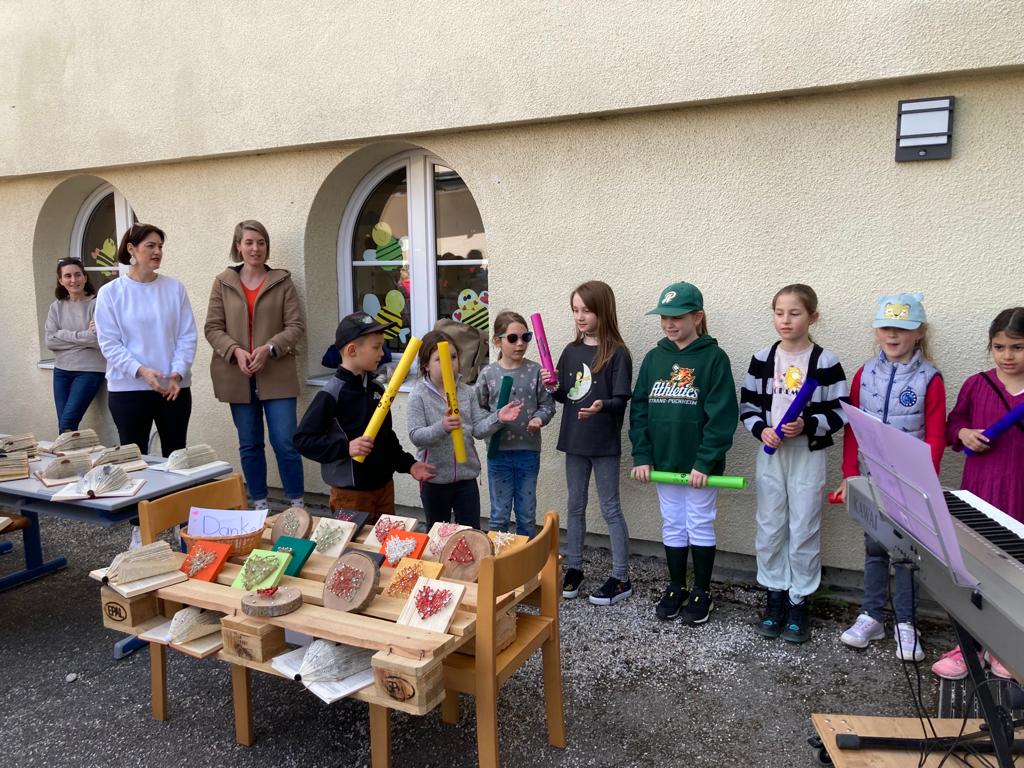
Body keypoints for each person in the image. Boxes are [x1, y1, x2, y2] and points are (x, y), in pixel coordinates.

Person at [832, 293, 945, 661]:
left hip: (909, 485)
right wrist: (850, 474)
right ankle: (871, 615)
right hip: (871, 479)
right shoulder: (864, 373)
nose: (892, 335)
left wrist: (923, 481)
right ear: (877, 332)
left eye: (902, 329)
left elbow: (936, 436)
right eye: (885, 328)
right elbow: (852, 428)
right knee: (875, 548)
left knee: (906, 554)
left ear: (919, 333)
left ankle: (907, 624)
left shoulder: (930, 378)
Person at [739, 284, 848, 643]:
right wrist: (762, 430)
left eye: (795, 313)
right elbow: (748, 405)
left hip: (807, 453)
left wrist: (808, 424)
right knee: (770, 524)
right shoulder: (762, 358)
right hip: (771, 453)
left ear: (813, 317)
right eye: (779, 313)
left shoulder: (825, 361)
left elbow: (840, 410)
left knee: (803, 525)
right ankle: (774, 593)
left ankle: (799, 598)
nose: (786, 320)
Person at [630, 282, 738, 625]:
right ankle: (676, 585)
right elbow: (639, 410)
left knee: (700, 523)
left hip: (699, 468)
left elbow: (722, 418)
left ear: (697, 317)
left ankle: (702, 590)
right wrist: (642, 455)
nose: (669, 323)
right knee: (673, 522)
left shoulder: (714, 359)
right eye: (664, 317)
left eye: (677, 317)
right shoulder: (654, 358)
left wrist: (705, 461)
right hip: (663, 463)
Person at [932, 307, 1024, 681]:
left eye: (1017, 347)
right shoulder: (977, 384)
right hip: (981, 491)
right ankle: (967, 645)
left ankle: (1006, 647)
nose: (1007, 355)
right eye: (999, 347)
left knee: (1014, 572)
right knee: (973, 568)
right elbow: (954, 423)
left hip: (1019, 494)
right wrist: (964, 433)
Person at [95, 224, 197, 548]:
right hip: (128, 390)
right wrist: (140, 371)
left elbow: (187, 335)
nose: (157, 252)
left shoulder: (174, 288)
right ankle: (141, 529)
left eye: (160, 246)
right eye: (151, 245)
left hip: (173, 388)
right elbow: (109, 343)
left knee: (176, 458)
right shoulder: (111, 293)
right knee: (135, 461)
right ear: (131, 249)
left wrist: (177, 373)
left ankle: (182, 525)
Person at [293, 312, 434, 520]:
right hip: (350, 495)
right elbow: (303, 440)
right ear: (352, 350)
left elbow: (386, 437)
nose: (382, 353)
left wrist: (409, 464)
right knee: (356, 541)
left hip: (384, 488)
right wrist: (346, 448)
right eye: (376, 347)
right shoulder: (331, 393)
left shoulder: (377, 389)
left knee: (386, 540)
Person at [205, 220, 306, 511]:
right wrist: (235, 351)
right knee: (249, 444)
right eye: (249, 242)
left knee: (285, 442)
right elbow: (213, 327)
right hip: (237, 376)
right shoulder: (223, 282)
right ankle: (259, 504)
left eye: (261, 242)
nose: (255, 248)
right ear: (238, 246)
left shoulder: (281, 281)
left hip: (276, 374)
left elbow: (296, 326)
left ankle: (297, 505)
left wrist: (270, 348)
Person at [549, 281, 634, 606]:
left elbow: (621, 399)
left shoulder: (617, 353)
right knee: (575, 505)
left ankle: (621, 576)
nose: (580, 316)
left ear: (603, 310)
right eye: (575, 310)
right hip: (574, 440)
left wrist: (602, 406)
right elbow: (564, 395)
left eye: (586, 310)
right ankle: (574, 568)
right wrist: (551, 387)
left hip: (604, 443)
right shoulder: (571, 351)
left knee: (610, 507)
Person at [407, 330, 522, 528]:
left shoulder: (467, 392)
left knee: (470, 532)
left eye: (453, 357)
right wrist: (442, 427)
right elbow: (416, 435)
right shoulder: (418, 395)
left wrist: (498, 418)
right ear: (425, 364)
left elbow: (478, 428)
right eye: (440, 359)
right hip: (434, 479)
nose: (449, 363)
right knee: (438, 533)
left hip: (466, 478)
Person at [476, 310, 555, 537]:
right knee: (499, 515)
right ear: (497, 341)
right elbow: (478, 413)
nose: (520, 343)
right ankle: (499, 556)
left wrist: (539, 418)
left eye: (525, 337)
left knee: (526, 514)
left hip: (528, 453)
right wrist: (497, 419)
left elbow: (547, 405)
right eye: (512, 338)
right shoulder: (488, 374)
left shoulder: (535, 371)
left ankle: (525, 558)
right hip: (498, 453)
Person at [45, 257, 106, 433]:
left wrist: (62, 334)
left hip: (89, 371)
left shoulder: (97, 304)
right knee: (64, 424)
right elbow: (50, 341)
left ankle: (67, 451)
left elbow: (97, 340)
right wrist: (83, 337)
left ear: (85, 277)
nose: (74, 280)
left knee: (68, 423)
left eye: (78, 275)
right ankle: (72, 451)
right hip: (61, 371)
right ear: (60, 280)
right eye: (68, 276)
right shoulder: (56, 307)